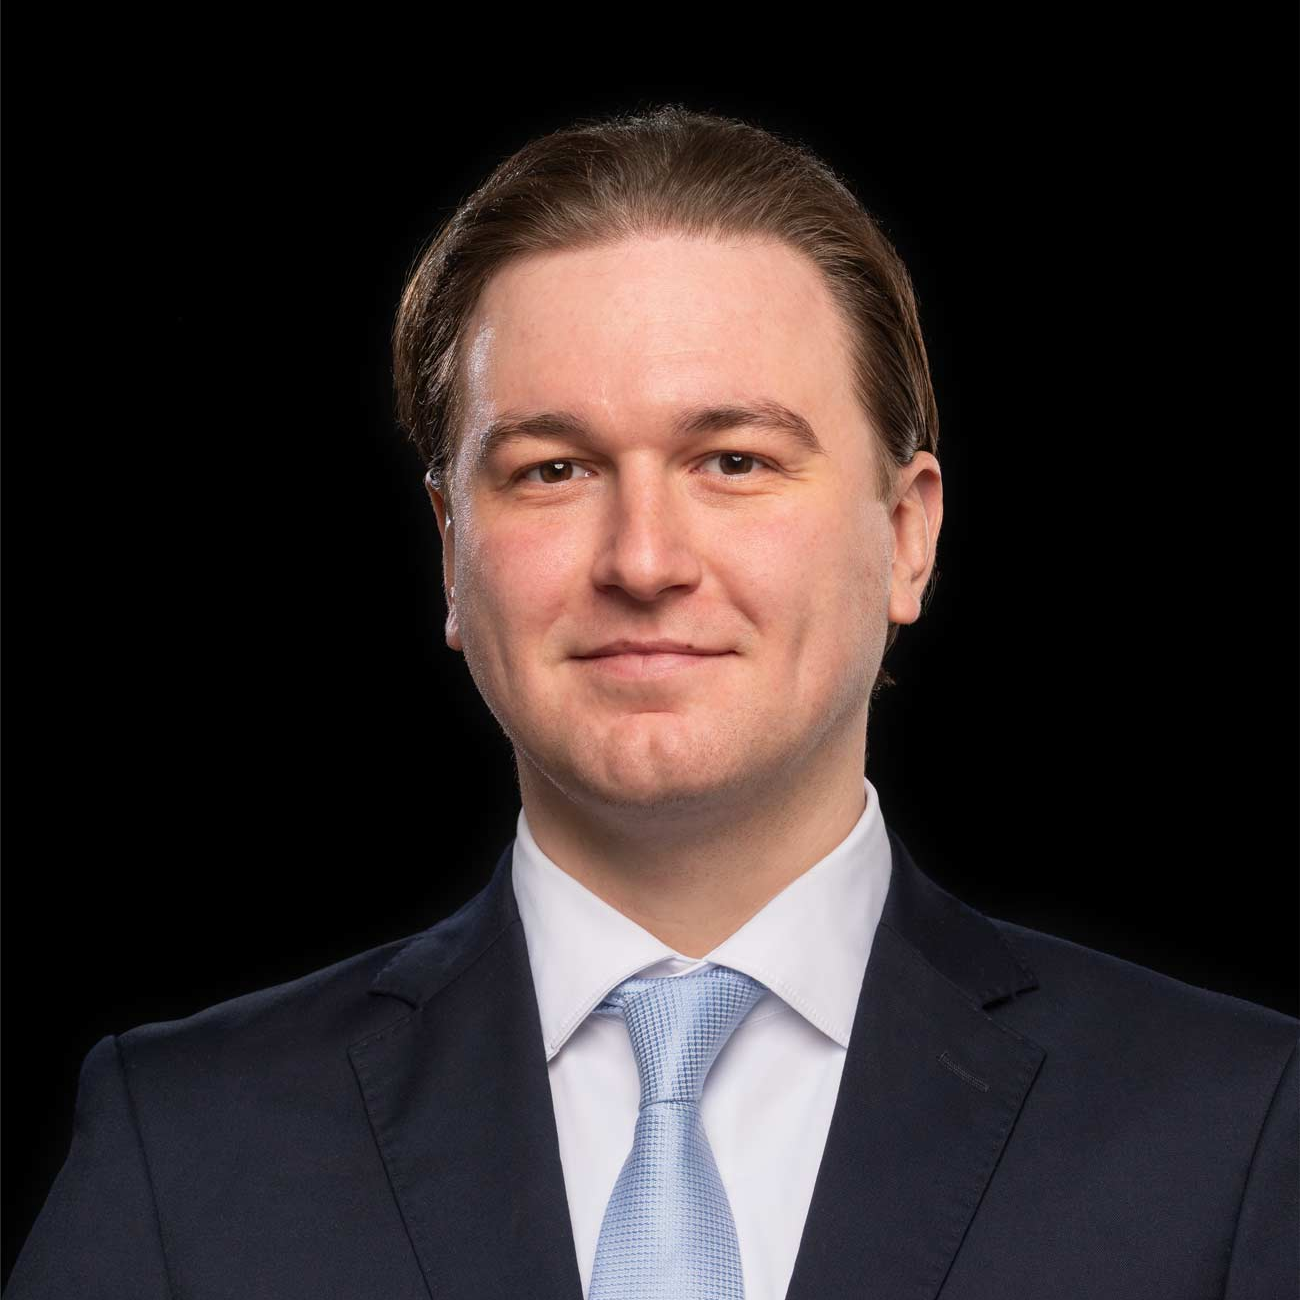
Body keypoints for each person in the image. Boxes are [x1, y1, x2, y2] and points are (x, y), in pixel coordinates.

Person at [6, 104, 1296, 1300]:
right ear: (451, 553)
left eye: (733, 460)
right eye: (553, 469)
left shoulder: (1239, 1129)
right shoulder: (184, 1148)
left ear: (908, 536)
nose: (642, 559)